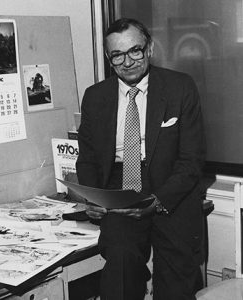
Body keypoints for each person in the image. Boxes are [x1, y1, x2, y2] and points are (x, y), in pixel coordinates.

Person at [76, 18, 206, 300]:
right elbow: (86, 158)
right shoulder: (95, 97)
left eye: (135, 50)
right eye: (117, 55)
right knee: (119, 273)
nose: (128, 61)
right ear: (110, 60)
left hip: (171, 191)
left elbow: (192, 161)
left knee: (175, 285)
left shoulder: (179, 87)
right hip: (120, 191)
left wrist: (157, 201)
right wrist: (93, 199)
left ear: (149, 49)